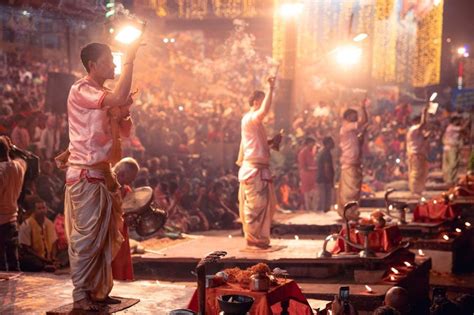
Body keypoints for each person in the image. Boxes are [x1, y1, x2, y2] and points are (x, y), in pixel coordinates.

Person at [58, 36, 143, 311]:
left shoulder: (102, 95)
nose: (114, 65)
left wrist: (124, 110)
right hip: (86, 175)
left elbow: (126, 131)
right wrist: (130, 57)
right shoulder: (81, 89)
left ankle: (98, 290)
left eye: (116, 60)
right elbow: (116, 97)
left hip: (104, 174)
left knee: (104, 238)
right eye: (109, 61)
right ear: (93, 65)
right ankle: (81, 294)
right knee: (87, 240)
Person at [236, 76, 280, 249]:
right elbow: (264, 110)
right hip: (253, 170)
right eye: (261, 102)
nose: (264, 106)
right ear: (255, 102)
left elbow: (256, 144)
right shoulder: (250, 118)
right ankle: (254, 239)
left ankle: (260, 239)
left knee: (264, 206)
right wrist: (271, 88)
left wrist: (272, 142)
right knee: (255, 206)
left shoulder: (254, 122)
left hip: (260, 169)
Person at [338, 99, 369, 220]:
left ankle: (352, 212)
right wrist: (363, 107)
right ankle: (347, 213)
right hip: (349, 163)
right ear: (347, 117)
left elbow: (358, 140)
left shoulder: (352, 131)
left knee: (354, 192)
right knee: (349, 192)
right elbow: (364, 121)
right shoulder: (346, 127)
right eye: (353, 116)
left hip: (355, 162)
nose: (356, 118)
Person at [0, 136, 27, 271]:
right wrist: (11, 147)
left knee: (1, 268)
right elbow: (27, 159)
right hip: (12, 219)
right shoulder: (19, 166)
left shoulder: (1, 171)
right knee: (13, 264)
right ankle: (16, 292)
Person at [111, 157, 140, 281]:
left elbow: (130, 210)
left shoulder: (126, 189)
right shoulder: (106, 183)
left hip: (122, 231)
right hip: (109, 230)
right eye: (130, 178)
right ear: (122, 174)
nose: (131, 182)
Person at [18, 197, 59, 272]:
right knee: (29, 260)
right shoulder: (27, 224)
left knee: (67, 253)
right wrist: (45, 260)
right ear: (34, 210)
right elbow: (26, 249)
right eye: (39, 208)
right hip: (35, 257)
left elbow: (54, 242)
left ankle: (52, 264)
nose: (42, 211)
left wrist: (53, 257)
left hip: (47, 258)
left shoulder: (49, 223)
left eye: (43, 208)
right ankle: (45, 266)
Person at [406, 106, 429, 196]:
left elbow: (422, 139)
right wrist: (424, 113)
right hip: (416, 154)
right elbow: (423, 124)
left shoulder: (416, 131)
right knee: (416, 173)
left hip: (419, 154)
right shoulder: (414, 129)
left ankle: (418, 191)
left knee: (421, 173)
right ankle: (415, 191)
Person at [442, 116, 467, 186]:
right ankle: (450, 180)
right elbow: (463, 129)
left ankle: (450, 179)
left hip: (449, 148)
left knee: (450, 164)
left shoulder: (449, 127)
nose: (459, 122)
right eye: (458, 121)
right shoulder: (452, 127)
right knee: (453, 164)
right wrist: (467, 122)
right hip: (451, 148)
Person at [297, 137, 318, 211]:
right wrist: (314, 168)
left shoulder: (311, 152)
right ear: (308, 143)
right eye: (312, 143)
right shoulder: (303, 153)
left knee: (314, 194)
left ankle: (313, 210)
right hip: (306, 176)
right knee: (307, 194)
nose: (313, 145)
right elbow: (303, 166)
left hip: (312, 175)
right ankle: (308, 210)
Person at [316, 136, 335, 212]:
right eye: (331, 142)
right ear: (327, 143)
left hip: (322, 179)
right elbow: (326, 167)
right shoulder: (326, 153)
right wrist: (330, 179)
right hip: (324, 180)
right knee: (324, 201)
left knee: (323, 200)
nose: (333, 144)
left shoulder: (322, 152)